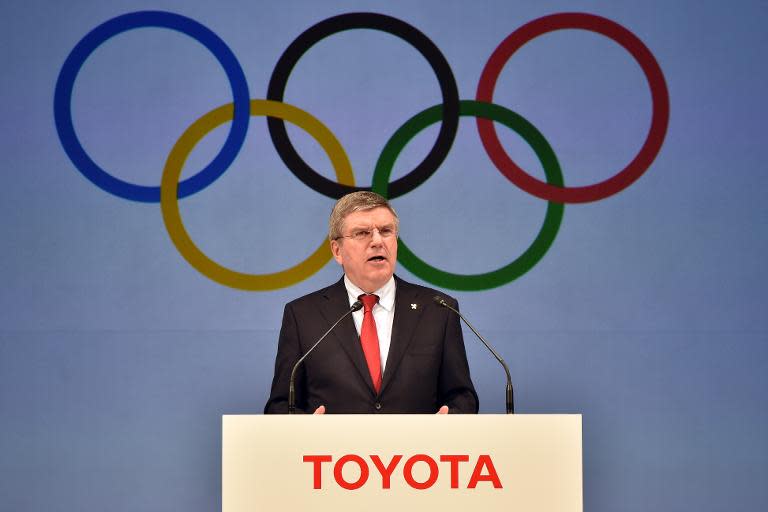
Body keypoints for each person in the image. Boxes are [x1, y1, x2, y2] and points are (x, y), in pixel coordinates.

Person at [264, 191, 478, 414]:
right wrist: (306, 428)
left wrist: (449, 421)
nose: (377, 241)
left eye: (386, 231)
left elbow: (462, 397)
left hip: (415, 448)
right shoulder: (303, 315)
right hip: (334, 448)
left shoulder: (439, 309)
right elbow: (280, 405)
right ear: (337, 251)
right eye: (362, 233)